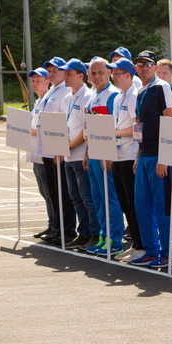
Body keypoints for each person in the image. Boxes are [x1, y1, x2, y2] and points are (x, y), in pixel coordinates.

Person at [128, 51, 172, 268]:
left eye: (148, 64)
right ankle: (151, 251)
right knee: (141, 206)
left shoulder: (162, 88)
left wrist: (165, 157)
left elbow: (171, 122)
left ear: (155, 67)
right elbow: (139, 124)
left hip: (160, 157)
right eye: (140, 64)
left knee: (162, 208)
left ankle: (168, 255)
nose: (144, 68)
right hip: (145, 155)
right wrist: (138, 156)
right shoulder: (140, 92)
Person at [82, 58, 125, 257]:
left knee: (110, 199)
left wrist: (110, 155)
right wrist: (87, 153)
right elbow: (90, 129)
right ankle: (103, 236)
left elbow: (114, 128)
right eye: (93, 73)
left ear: (108, 72)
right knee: (98, 199)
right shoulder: (92, 96)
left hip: (106, 156)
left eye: (100, 72)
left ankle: (115, 240)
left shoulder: (113, 95)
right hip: (93, 155)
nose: (97, 77)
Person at [59, 59, 97, 248]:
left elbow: (86, 129)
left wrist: (69, 146)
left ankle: (93, 233)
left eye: (68, 73)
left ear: (81, 76)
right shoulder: (68, 97)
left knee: (87, 197)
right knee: (75, 196)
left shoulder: (87, 96)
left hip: (80, 155)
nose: (64, 76)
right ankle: (83, 233)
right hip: (68, 155)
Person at [37, 57, 75, 245]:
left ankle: (66, 230)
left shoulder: (65, 92)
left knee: (63, 193)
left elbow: (65, 123)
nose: (50, 74)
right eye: (49, 71)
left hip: (58, 150)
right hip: (48, 148)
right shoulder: (52, 91)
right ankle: (57, 228)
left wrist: (60, 148)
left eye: (54, 71)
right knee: (53, 192)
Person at [109, 58, 142, 253]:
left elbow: (137, 128)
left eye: (118, 73)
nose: (114, 77)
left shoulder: (133, 96)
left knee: (133, 203)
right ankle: (136, 243)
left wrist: (115, 133)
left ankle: (141, 244)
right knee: (124, 203)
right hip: (118, 156)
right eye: (113, 73)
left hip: (130, 155)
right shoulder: (118, 97)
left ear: (128, 75)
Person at [28, 68, 58, 239]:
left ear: (47, 82)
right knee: (44, 192)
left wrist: (28, 130)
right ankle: (51, 224)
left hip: (45, 153)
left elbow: (46, 129)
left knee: (50, 192)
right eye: (33, 81)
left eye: (39, 80)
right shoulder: (39, 101)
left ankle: (55, 225)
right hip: (36, 154)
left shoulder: (48, 100)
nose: (35, 84)